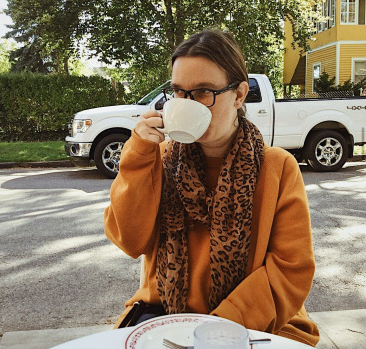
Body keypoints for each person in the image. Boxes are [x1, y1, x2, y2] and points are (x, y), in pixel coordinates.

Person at [104, 29, 319, 346]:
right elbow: (130, 241)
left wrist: (216, 330)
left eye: (203, 92)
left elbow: (291, 270)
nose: (187, 104)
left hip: (256, 323)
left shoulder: (278, 168)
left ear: (239, 95)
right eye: (179, 92)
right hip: (163, 316)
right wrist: (137, 158)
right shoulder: (158, 158)